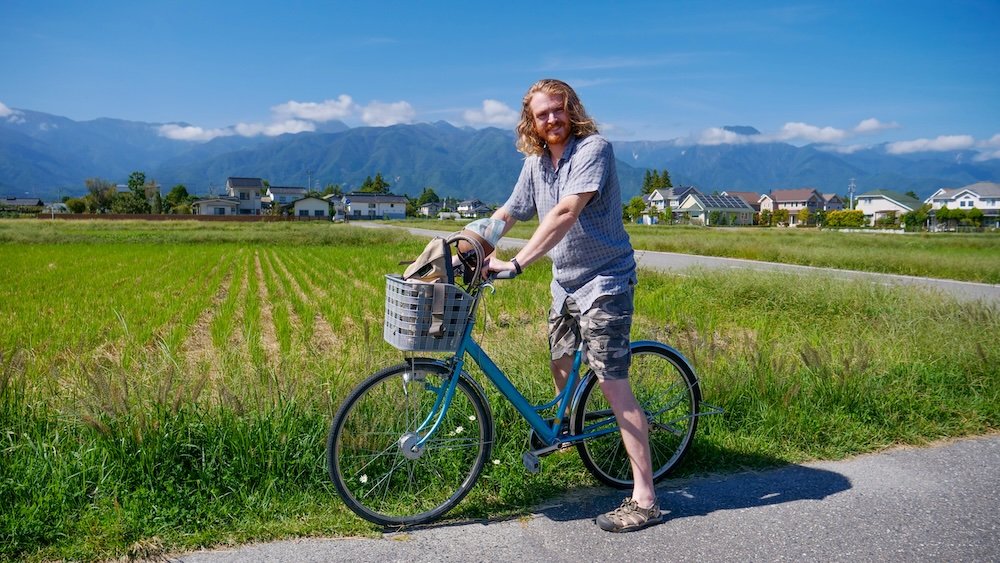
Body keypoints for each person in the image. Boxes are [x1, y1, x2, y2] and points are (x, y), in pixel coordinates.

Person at [485, 79, 661, 532]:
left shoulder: (593, 149)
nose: (551, 120)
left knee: (611, 383)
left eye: (557, 110)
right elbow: (509, 210)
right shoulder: (536, 163)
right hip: (564, 283)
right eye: (542, 114)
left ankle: (645, 497)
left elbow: (565, 212)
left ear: (572, 110)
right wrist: (475, 241)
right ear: (532, 122)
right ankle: (567, 434)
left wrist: (518, 263)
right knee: (561, 363)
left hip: (605, 281)